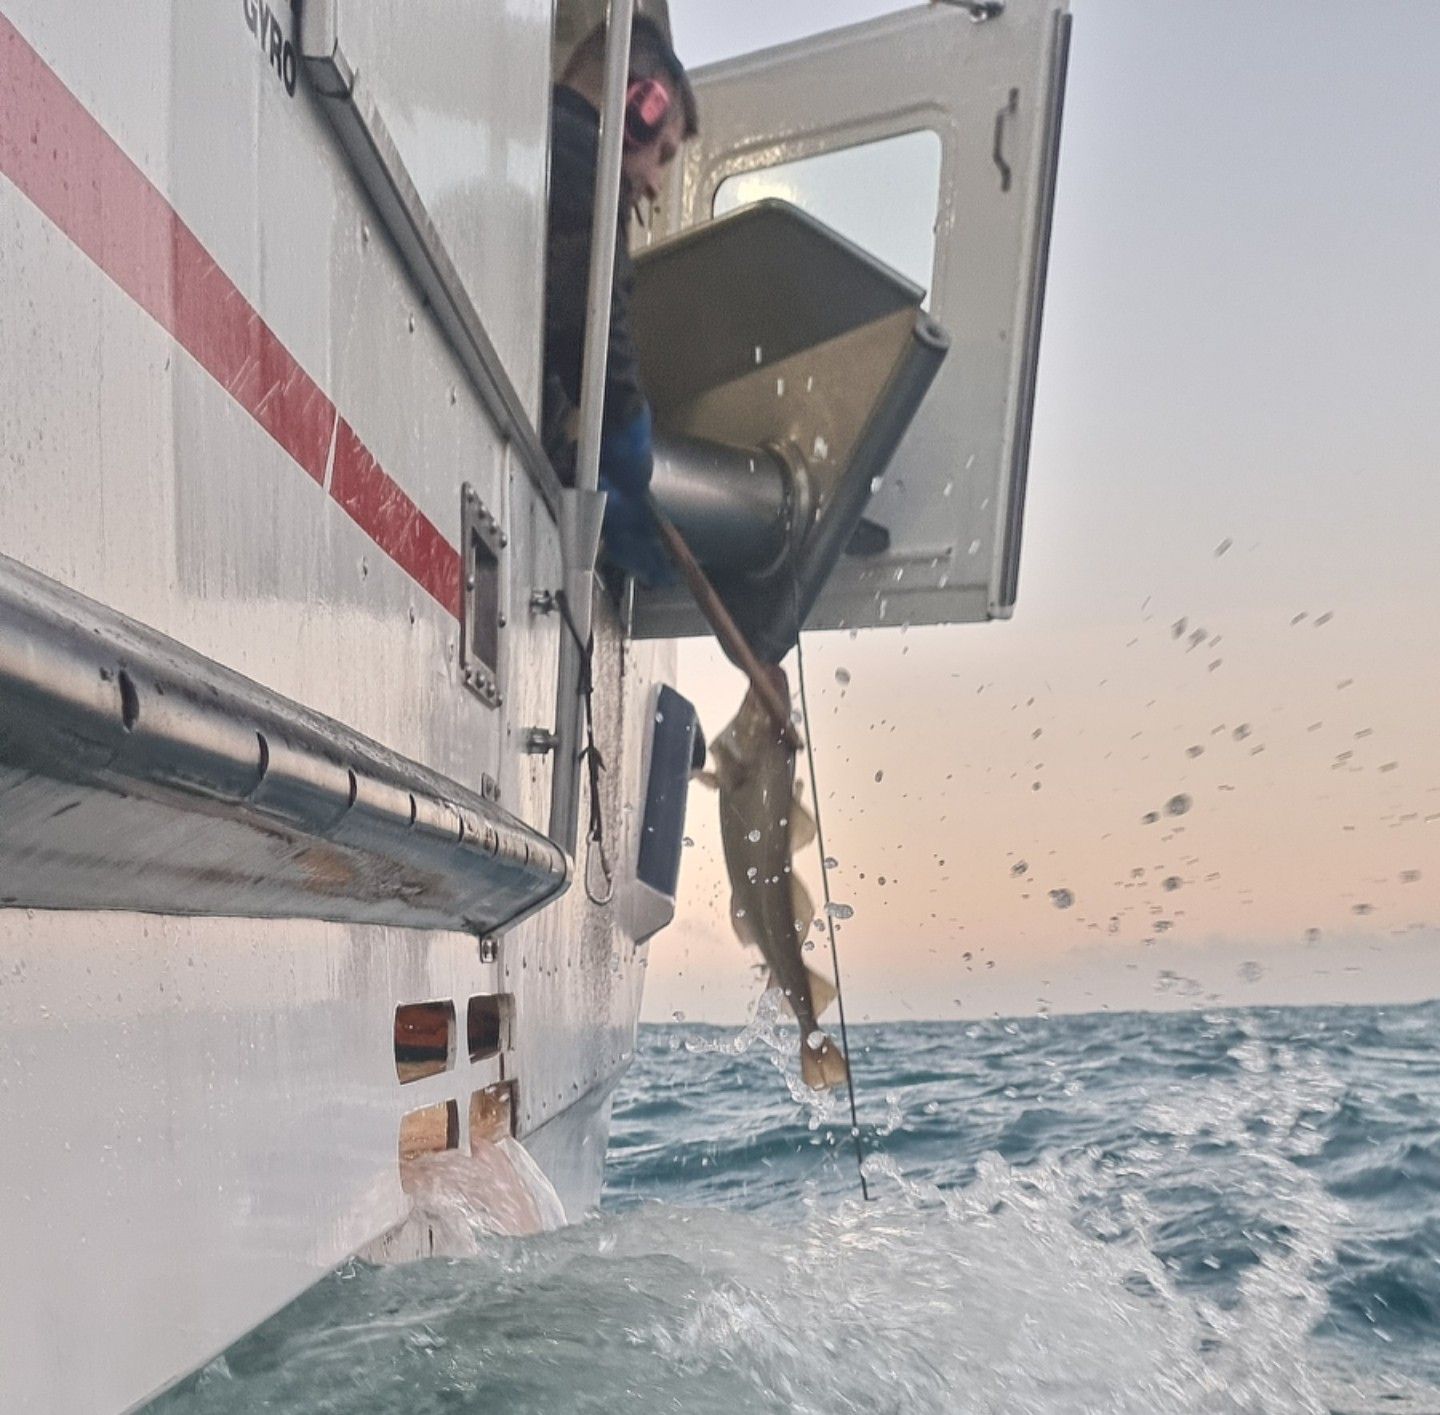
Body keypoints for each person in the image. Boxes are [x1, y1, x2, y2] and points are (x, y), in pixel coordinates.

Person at [543, 14, 698, 587]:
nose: (656, 184)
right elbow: (589, 320)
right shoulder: (581, 168)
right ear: (639, 107)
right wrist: (627, 426)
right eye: (663, 153)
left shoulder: (545, 149)